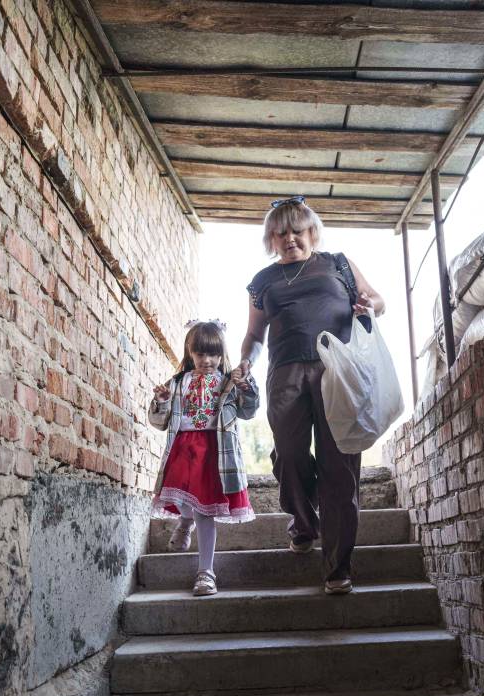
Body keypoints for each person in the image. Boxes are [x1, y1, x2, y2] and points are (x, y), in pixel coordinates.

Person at [233, 197, 385, 595]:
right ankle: (303, 522)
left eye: (297, 231)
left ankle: (337, 567)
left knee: (340, 466)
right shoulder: (262, 280)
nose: (289, 239)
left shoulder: (337, 262)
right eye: (280, 233)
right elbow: (253, 335)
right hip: (285, 374)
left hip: (339, 371)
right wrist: (245, 360)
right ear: (271, 239)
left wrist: (370, 305)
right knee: (289, 453)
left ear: (311, 232)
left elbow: (377, 300)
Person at [149, 320, 259, 596]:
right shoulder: (178, 382)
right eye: (200, 354)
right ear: (190, 353)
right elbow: (159, 421)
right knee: (182, 499)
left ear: (222, 355)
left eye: (213, 354)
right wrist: (161, 401)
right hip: (183, 448)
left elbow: (248, 412)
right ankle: (185, 521)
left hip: (214, 451)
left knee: (205, 511)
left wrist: (245, 387)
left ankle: (205, 572)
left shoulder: (227, 383)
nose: (207, 360)